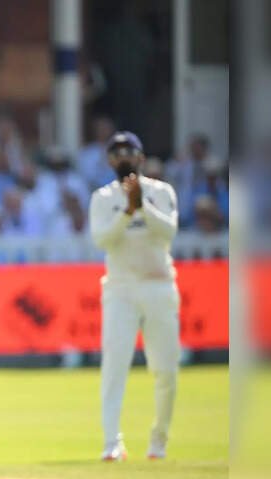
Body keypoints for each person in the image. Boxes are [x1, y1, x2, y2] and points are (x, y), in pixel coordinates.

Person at [88, 132, 180, 462]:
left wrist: (143, 206)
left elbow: (168, 232)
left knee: (166, 370)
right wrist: (128, 211)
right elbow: (102, 240)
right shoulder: (103, 197)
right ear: (109, 161)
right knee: (114, 367)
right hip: (120, 289)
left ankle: (159, 441)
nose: (122, 158)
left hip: (159, 285)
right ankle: (112, 442)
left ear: (141, 157)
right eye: (116, 154)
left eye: (128, 152)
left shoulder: (161, 191)